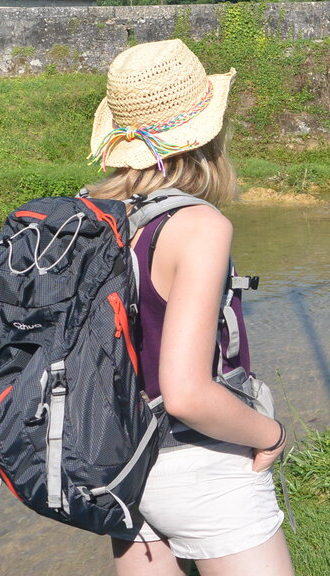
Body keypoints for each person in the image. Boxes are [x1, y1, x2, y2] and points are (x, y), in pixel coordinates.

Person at [86, 39, 294, 576]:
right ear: (207, 136)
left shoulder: (96, 219)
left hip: (119, 465)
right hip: (198, 467)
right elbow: (185, 393)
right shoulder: (198, 226)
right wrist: (270, 434)